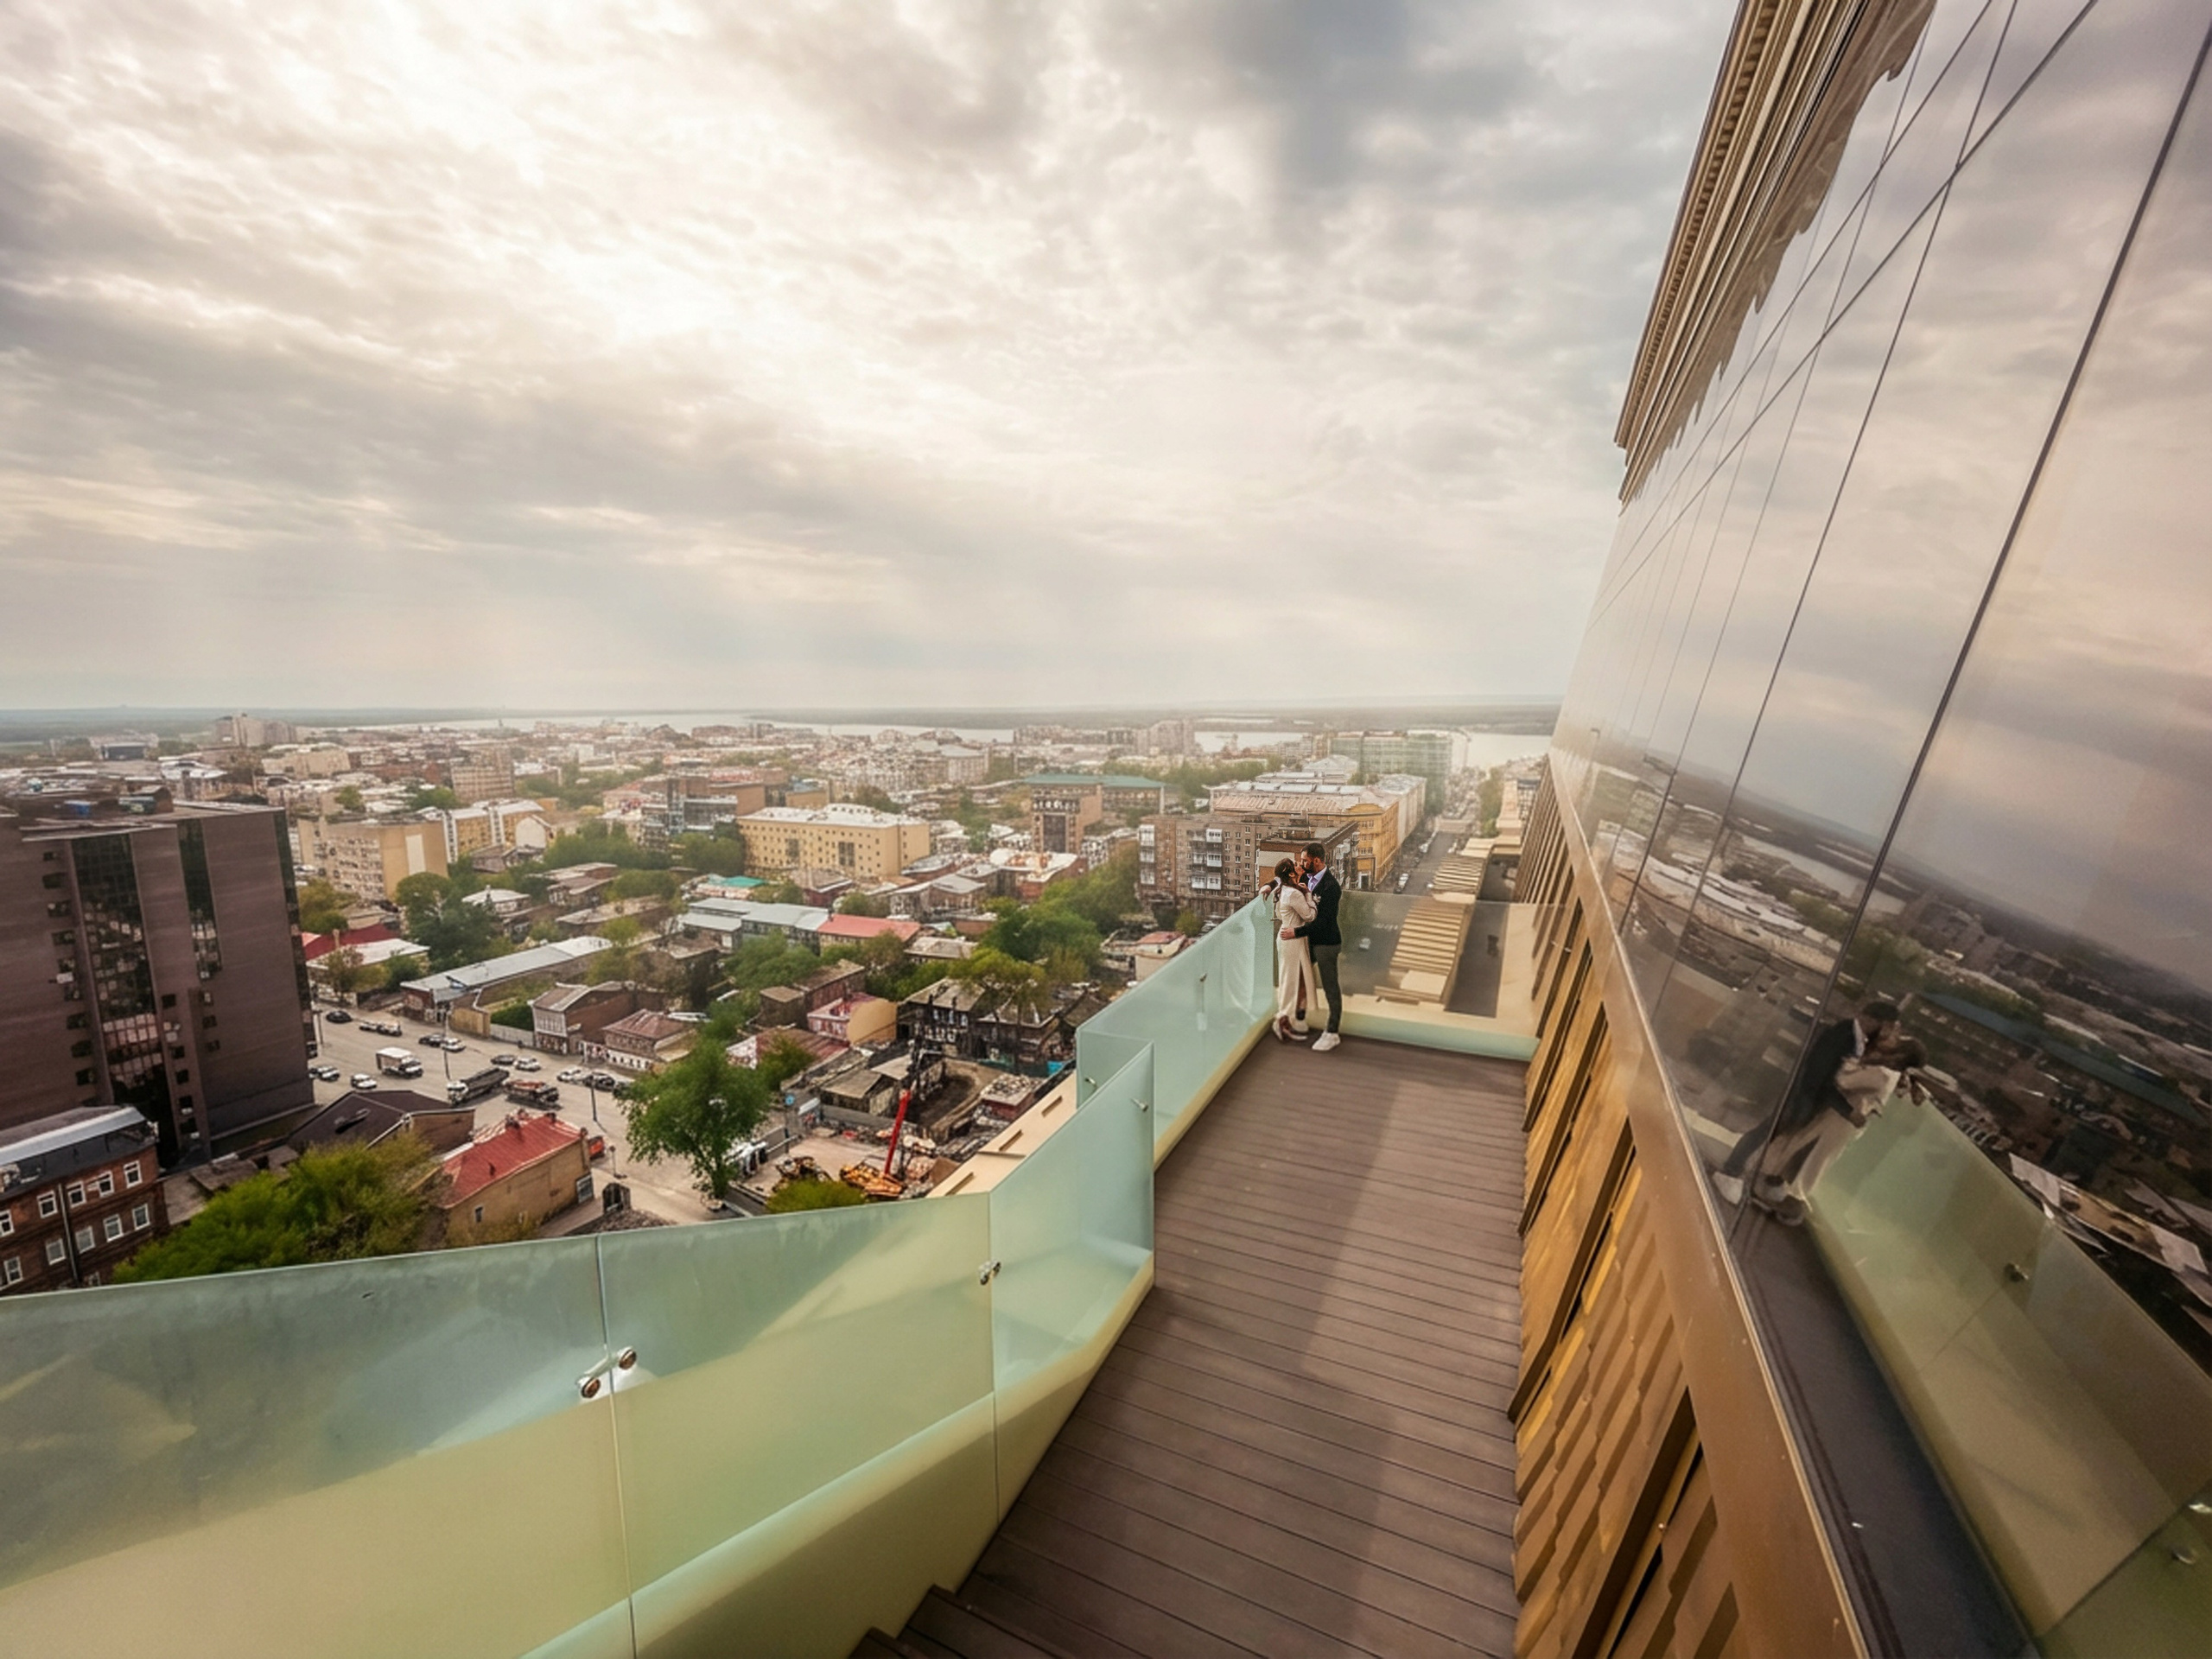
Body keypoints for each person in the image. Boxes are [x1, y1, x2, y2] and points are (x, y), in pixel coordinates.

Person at [1711, 1000, 1904, 1220]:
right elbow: (1820, 1076)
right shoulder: (1841, 1036)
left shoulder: (1858, 1039)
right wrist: (1844, 1109)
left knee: (1779, 1137)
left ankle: (1762, 1178)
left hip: (1810, 1099)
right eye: (1886, 1025)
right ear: (1872, 1020)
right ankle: (1730, 1171)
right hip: (1803, 1095)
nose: (1886, 1032)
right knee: (1767, 1131)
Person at [1286, 842, 1344, 1052]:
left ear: (1317, 861)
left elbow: (1323, 922)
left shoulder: (1330, 887)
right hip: (1309, 941)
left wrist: (1296, 932)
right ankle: (1300, 1018)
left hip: (1326, 942)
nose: (1301, 864)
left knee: (1330, 986)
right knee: (1300, 976)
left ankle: (1332, 1032)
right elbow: (1281, 876)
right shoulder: (1305, 879)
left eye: (1305, 860)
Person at [1263, 858, 1315, 1042]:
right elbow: (1309, 916)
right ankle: (1282, 1021)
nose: (1299, 864)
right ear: (1291, 873)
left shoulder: (1282, 890)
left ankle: (1287, 1021)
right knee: (1290, 981)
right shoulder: (1294, 894)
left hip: (1287, 937)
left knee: (1289, 979)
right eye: (1295, 864)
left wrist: (1269, 886)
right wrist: (1309, 896)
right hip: (1292, 939)